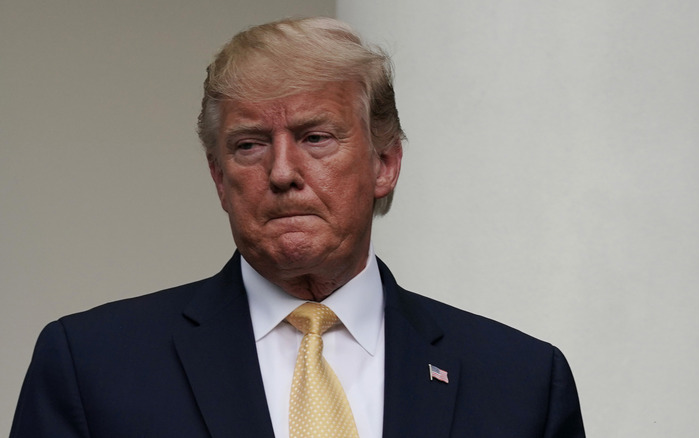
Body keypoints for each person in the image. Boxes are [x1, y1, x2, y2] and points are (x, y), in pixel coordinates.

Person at [10, 17, 585, 438]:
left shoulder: (520, 384)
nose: (282, 172)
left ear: (385, 163)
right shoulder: (92, 367)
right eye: (249, 145)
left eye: (315, 137)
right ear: (218, 178)